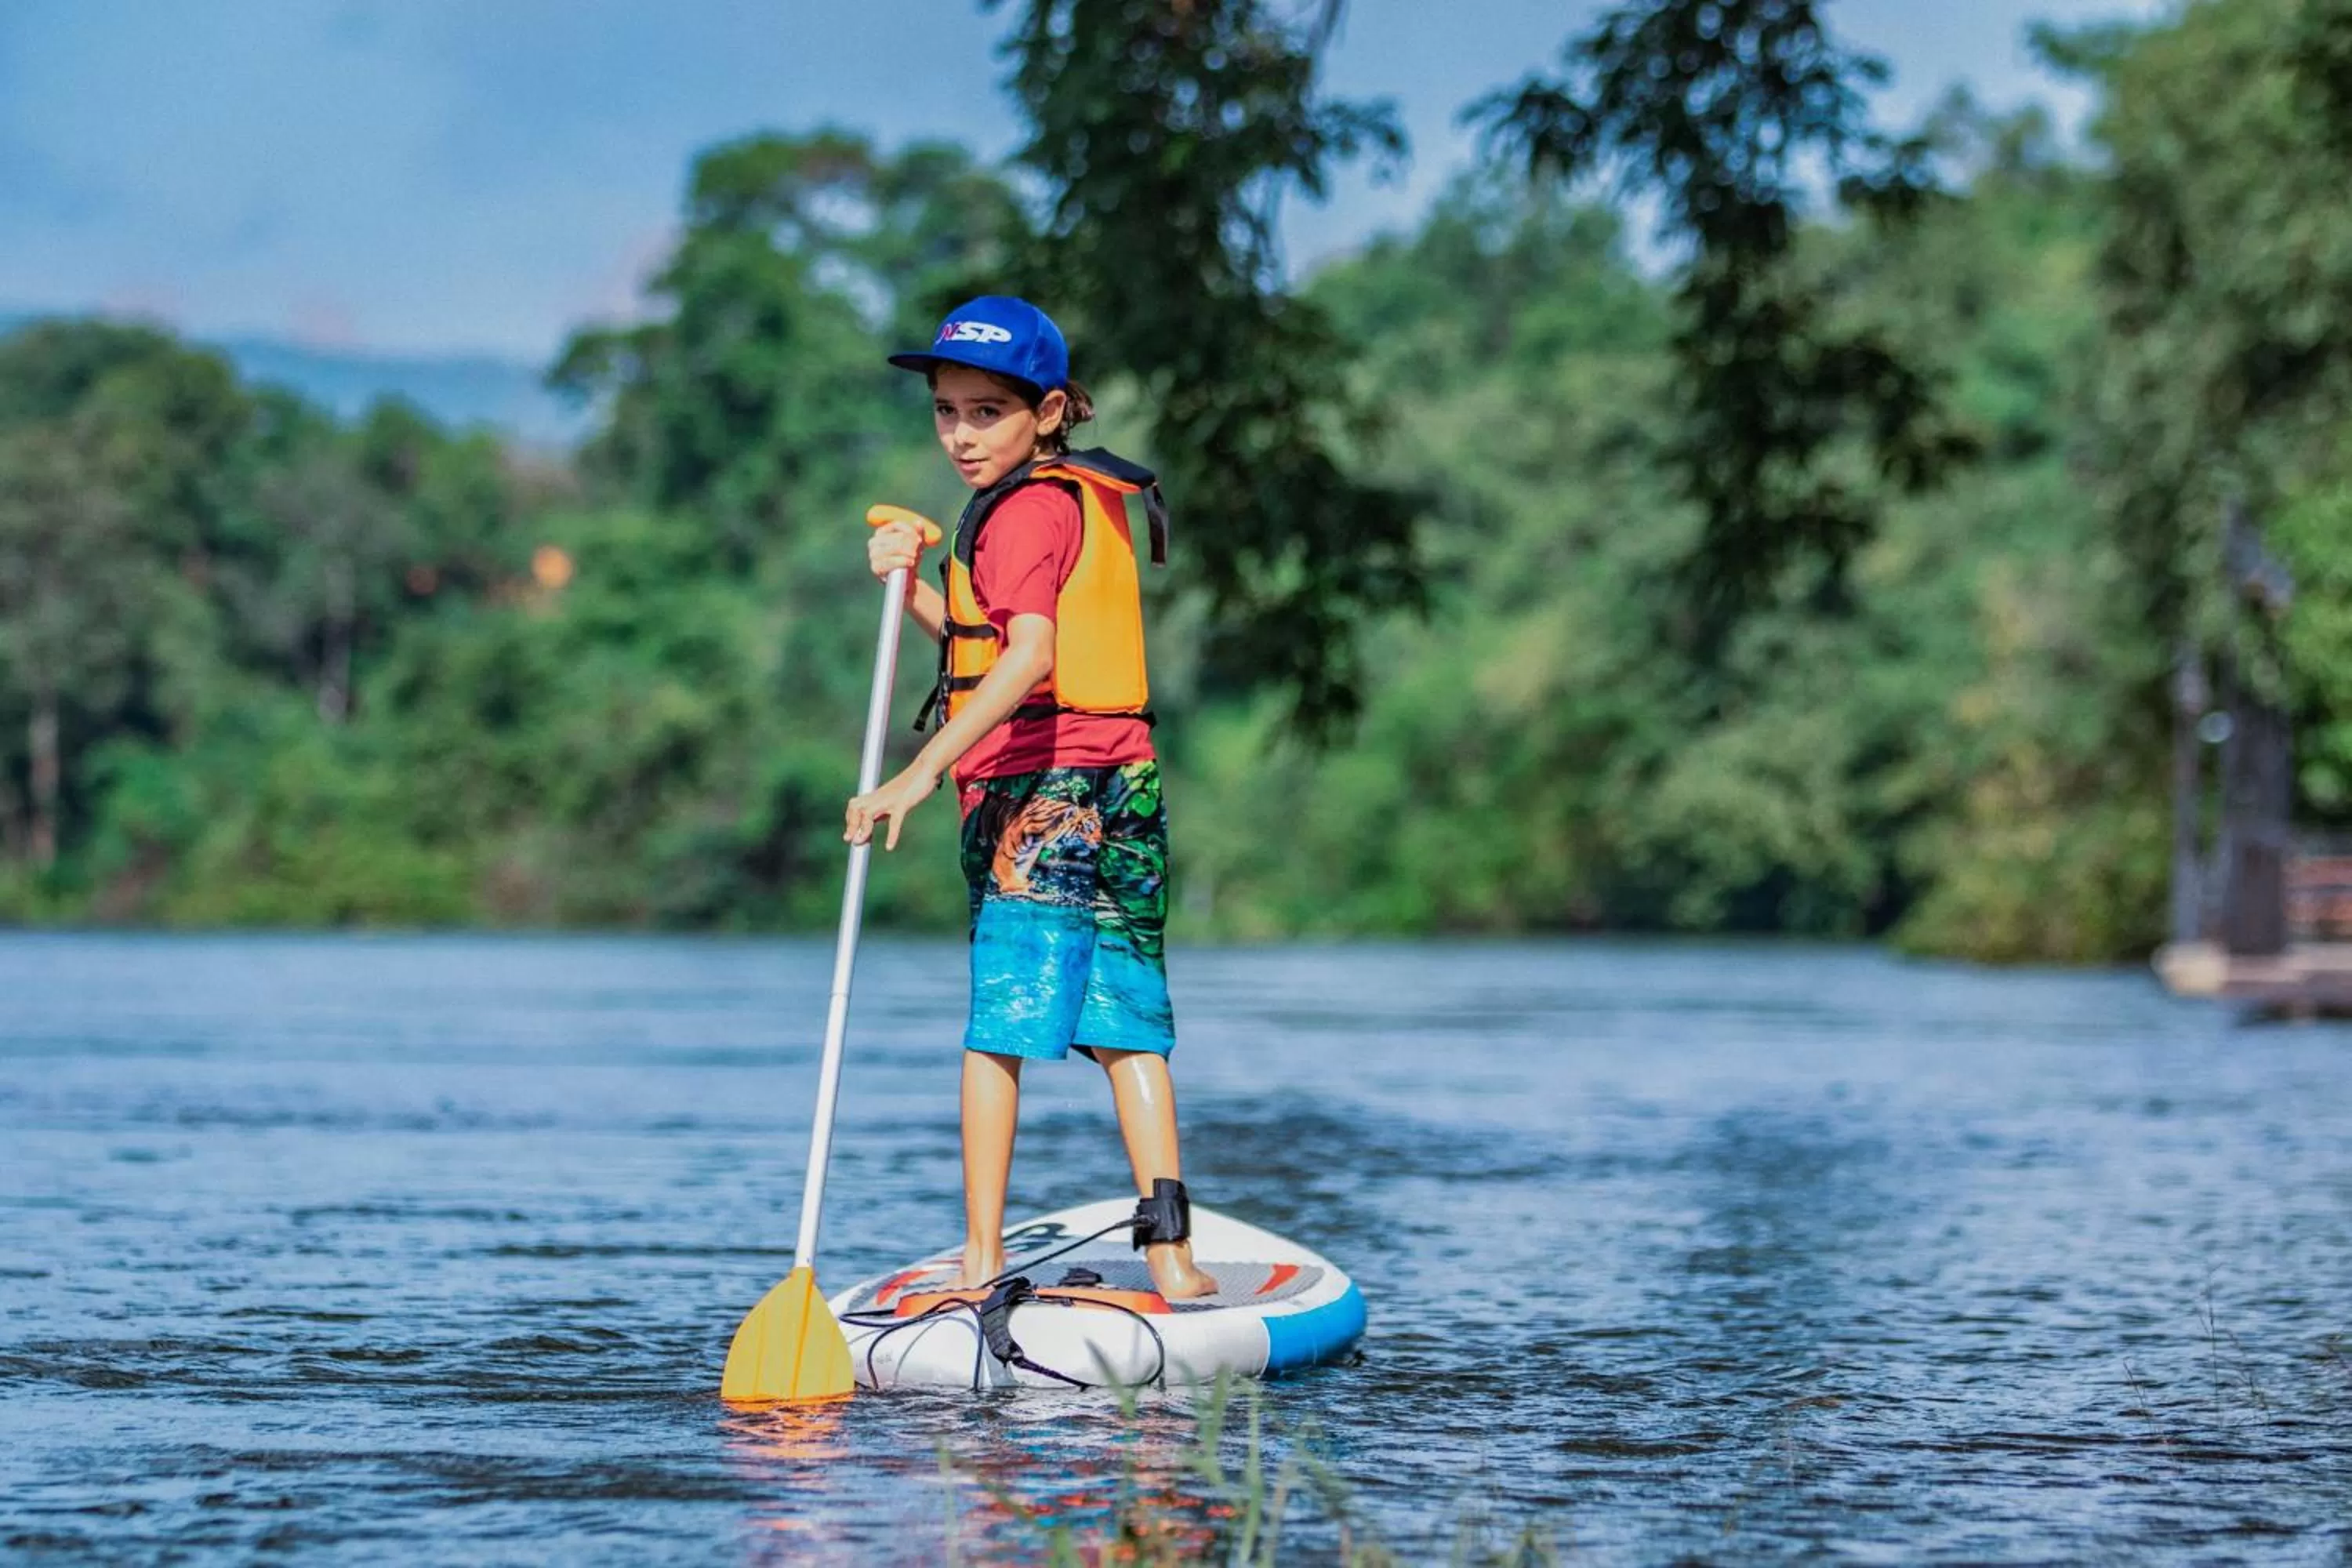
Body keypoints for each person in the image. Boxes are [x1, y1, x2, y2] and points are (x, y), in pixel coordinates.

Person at [844, 295, 1217, 1301]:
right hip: (1124, 778)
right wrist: (911, 588)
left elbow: (1030, 659)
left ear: (1048, 411)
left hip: (1037, 790)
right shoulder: (1072, 498)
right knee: (1126, 1021)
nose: (962, 436)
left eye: (987, 412)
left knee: (999, 1026)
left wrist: (918, 771)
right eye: (947, 410)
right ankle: (1173, 1256)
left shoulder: (1020, 512)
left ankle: (979, 1264)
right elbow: (989, 649)